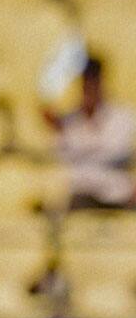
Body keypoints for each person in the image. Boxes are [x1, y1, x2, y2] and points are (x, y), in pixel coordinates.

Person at [42, 57, 135, 209]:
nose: (89, 88)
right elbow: (61, 156)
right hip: (80, 194)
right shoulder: (69, 121)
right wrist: (58, 130)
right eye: (85, 83)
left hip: (116, 194)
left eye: (93, 82)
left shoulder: (123, 116)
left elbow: (117, 152)